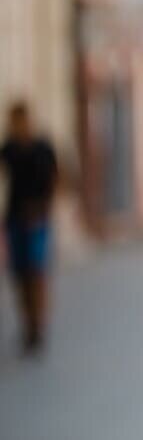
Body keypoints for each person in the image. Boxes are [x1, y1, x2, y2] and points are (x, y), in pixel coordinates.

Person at [1, 101, 59, 355]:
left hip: (37, 219)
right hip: (14, 218)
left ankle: (38, 323)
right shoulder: (9, 149)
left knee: (36, 272)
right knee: (19, 274)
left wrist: (44, 207)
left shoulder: (42, 148)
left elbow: (57, 177)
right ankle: (27, 323)